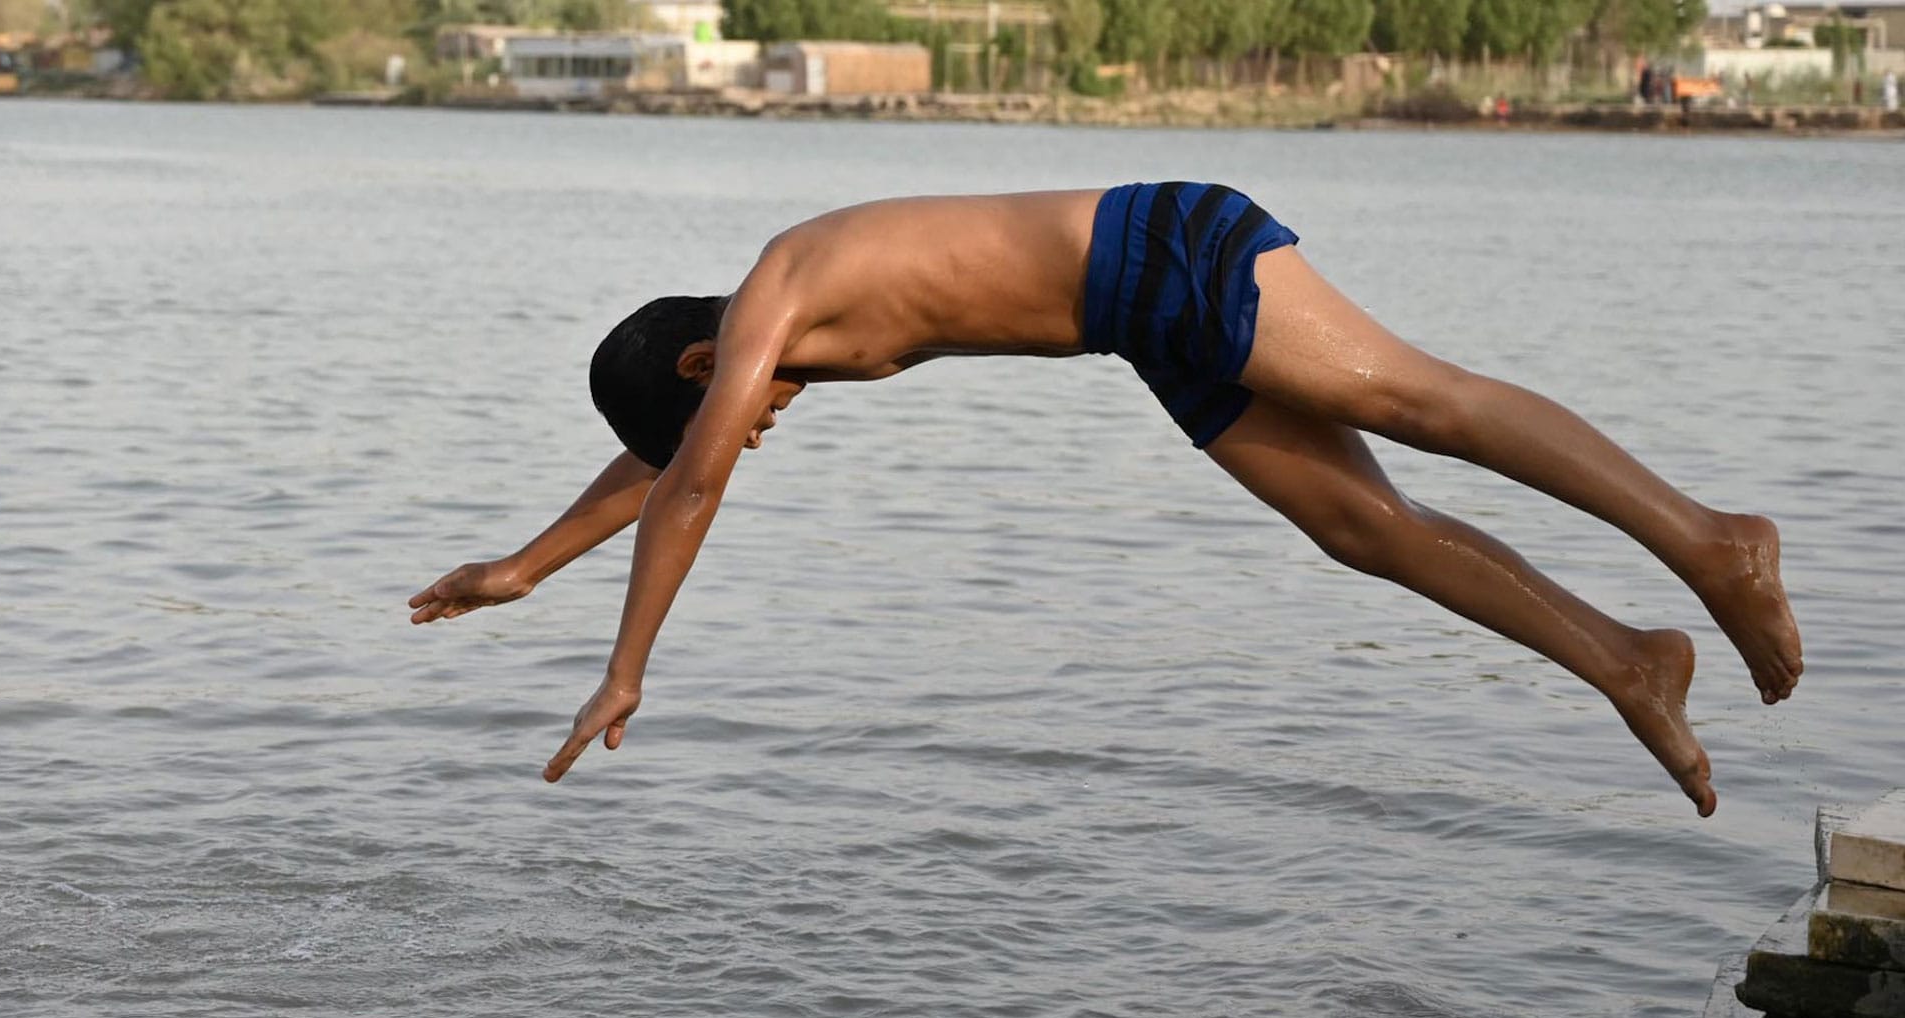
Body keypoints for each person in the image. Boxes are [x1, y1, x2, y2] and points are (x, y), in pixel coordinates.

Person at [408, 184, 1802, 815]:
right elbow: (668, 470)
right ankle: (1628, 662)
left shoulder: (777, 290)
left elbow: (693, 478)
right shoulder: (774, 344)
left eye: (737, 410)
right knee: (1363, 529)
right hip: (1140, 325)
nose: (756, 428)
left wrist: (625, 669)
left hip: (1165, 248)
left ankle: (1710, 540)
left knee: (1414, 403)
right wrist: (526, 568)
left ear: (704, 365)